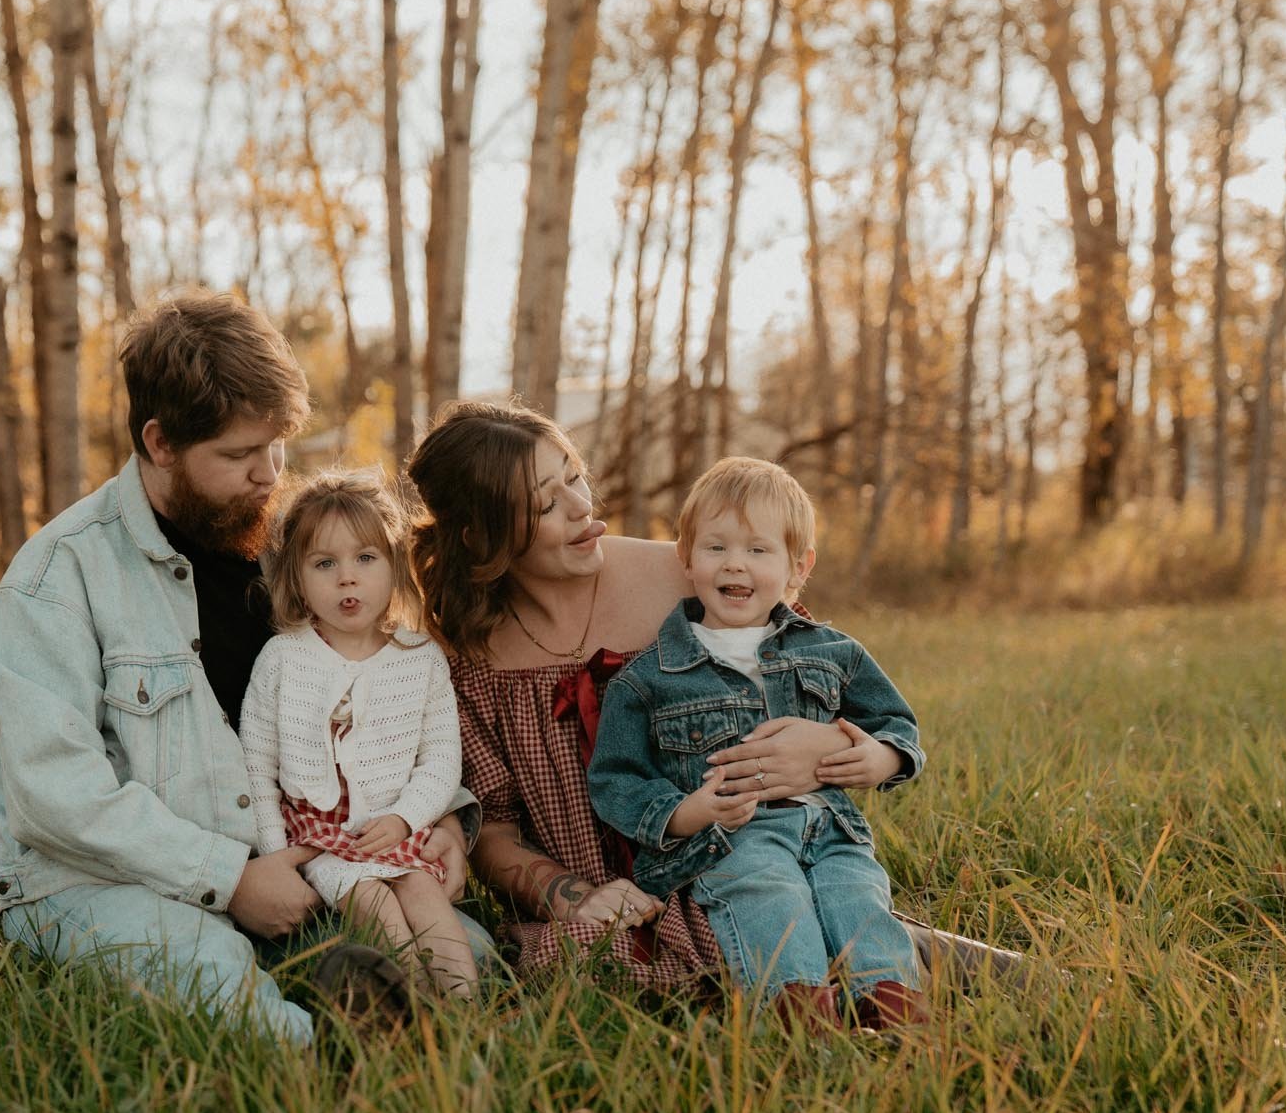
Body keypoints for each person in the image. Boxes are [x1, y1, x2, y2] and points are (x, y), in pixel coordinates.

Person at [0, 293, 475, 1045]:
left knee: (473, 959)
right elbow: (55, 798)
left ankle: (378, 1014)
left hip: (301, 860)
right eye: (240, 455)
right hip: (111, 879)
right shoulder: (54, 581)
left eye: (276, 445)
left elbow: (381, 686)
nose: (268, 474)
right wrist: (230, 878)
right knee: (223, 993)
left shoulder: (294, 552)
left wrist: (443, 823)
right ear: (160, 441)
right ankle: (326, 1071)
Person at [407, 399, 1020, 998]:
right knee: (583, 964)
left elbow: (813, 667)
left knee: (818, 912)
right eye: (546, 502)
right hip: (620, 906)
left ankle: (1013, 980)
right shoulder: (462, 654)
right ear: (482, 537)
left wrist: (827, 746)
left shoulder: (687, 575)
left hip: (740, 857)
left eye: (574, 477)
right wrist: (574, 896)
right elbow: (494, 824)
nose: (580, 507)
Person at [585, 457, 927, 1030]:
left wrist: (880, 756)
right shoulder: (649, 677)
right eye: (716, 548)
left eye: (758, 551)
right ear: (686, 559)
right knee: (771, 896)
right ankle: (801, 1020)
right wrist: (685, 813)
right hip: (733, 839)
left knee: (858, 899)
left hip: (833, 829)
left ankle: (892, 1013)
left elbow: (895, 722)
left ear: (799, 566)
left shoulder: (833, 652)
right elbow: (615, 778)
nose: (735, 564)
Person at [239, 471, 479, 998]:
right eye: (325, 564)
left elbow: (440, 760)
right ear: (297, 578)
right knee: (378, 910)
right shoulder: (282, 659)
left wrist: (404, 818)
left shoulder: (419, 659)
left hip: (395, 831)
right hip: (321, 842)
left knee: (428, 902)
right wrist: (276, 859)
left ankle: (468, 1017)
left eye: (365, 559)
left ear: (393, 566)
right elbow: (257, 766)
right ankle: (413, 1014)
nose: (347, 579)